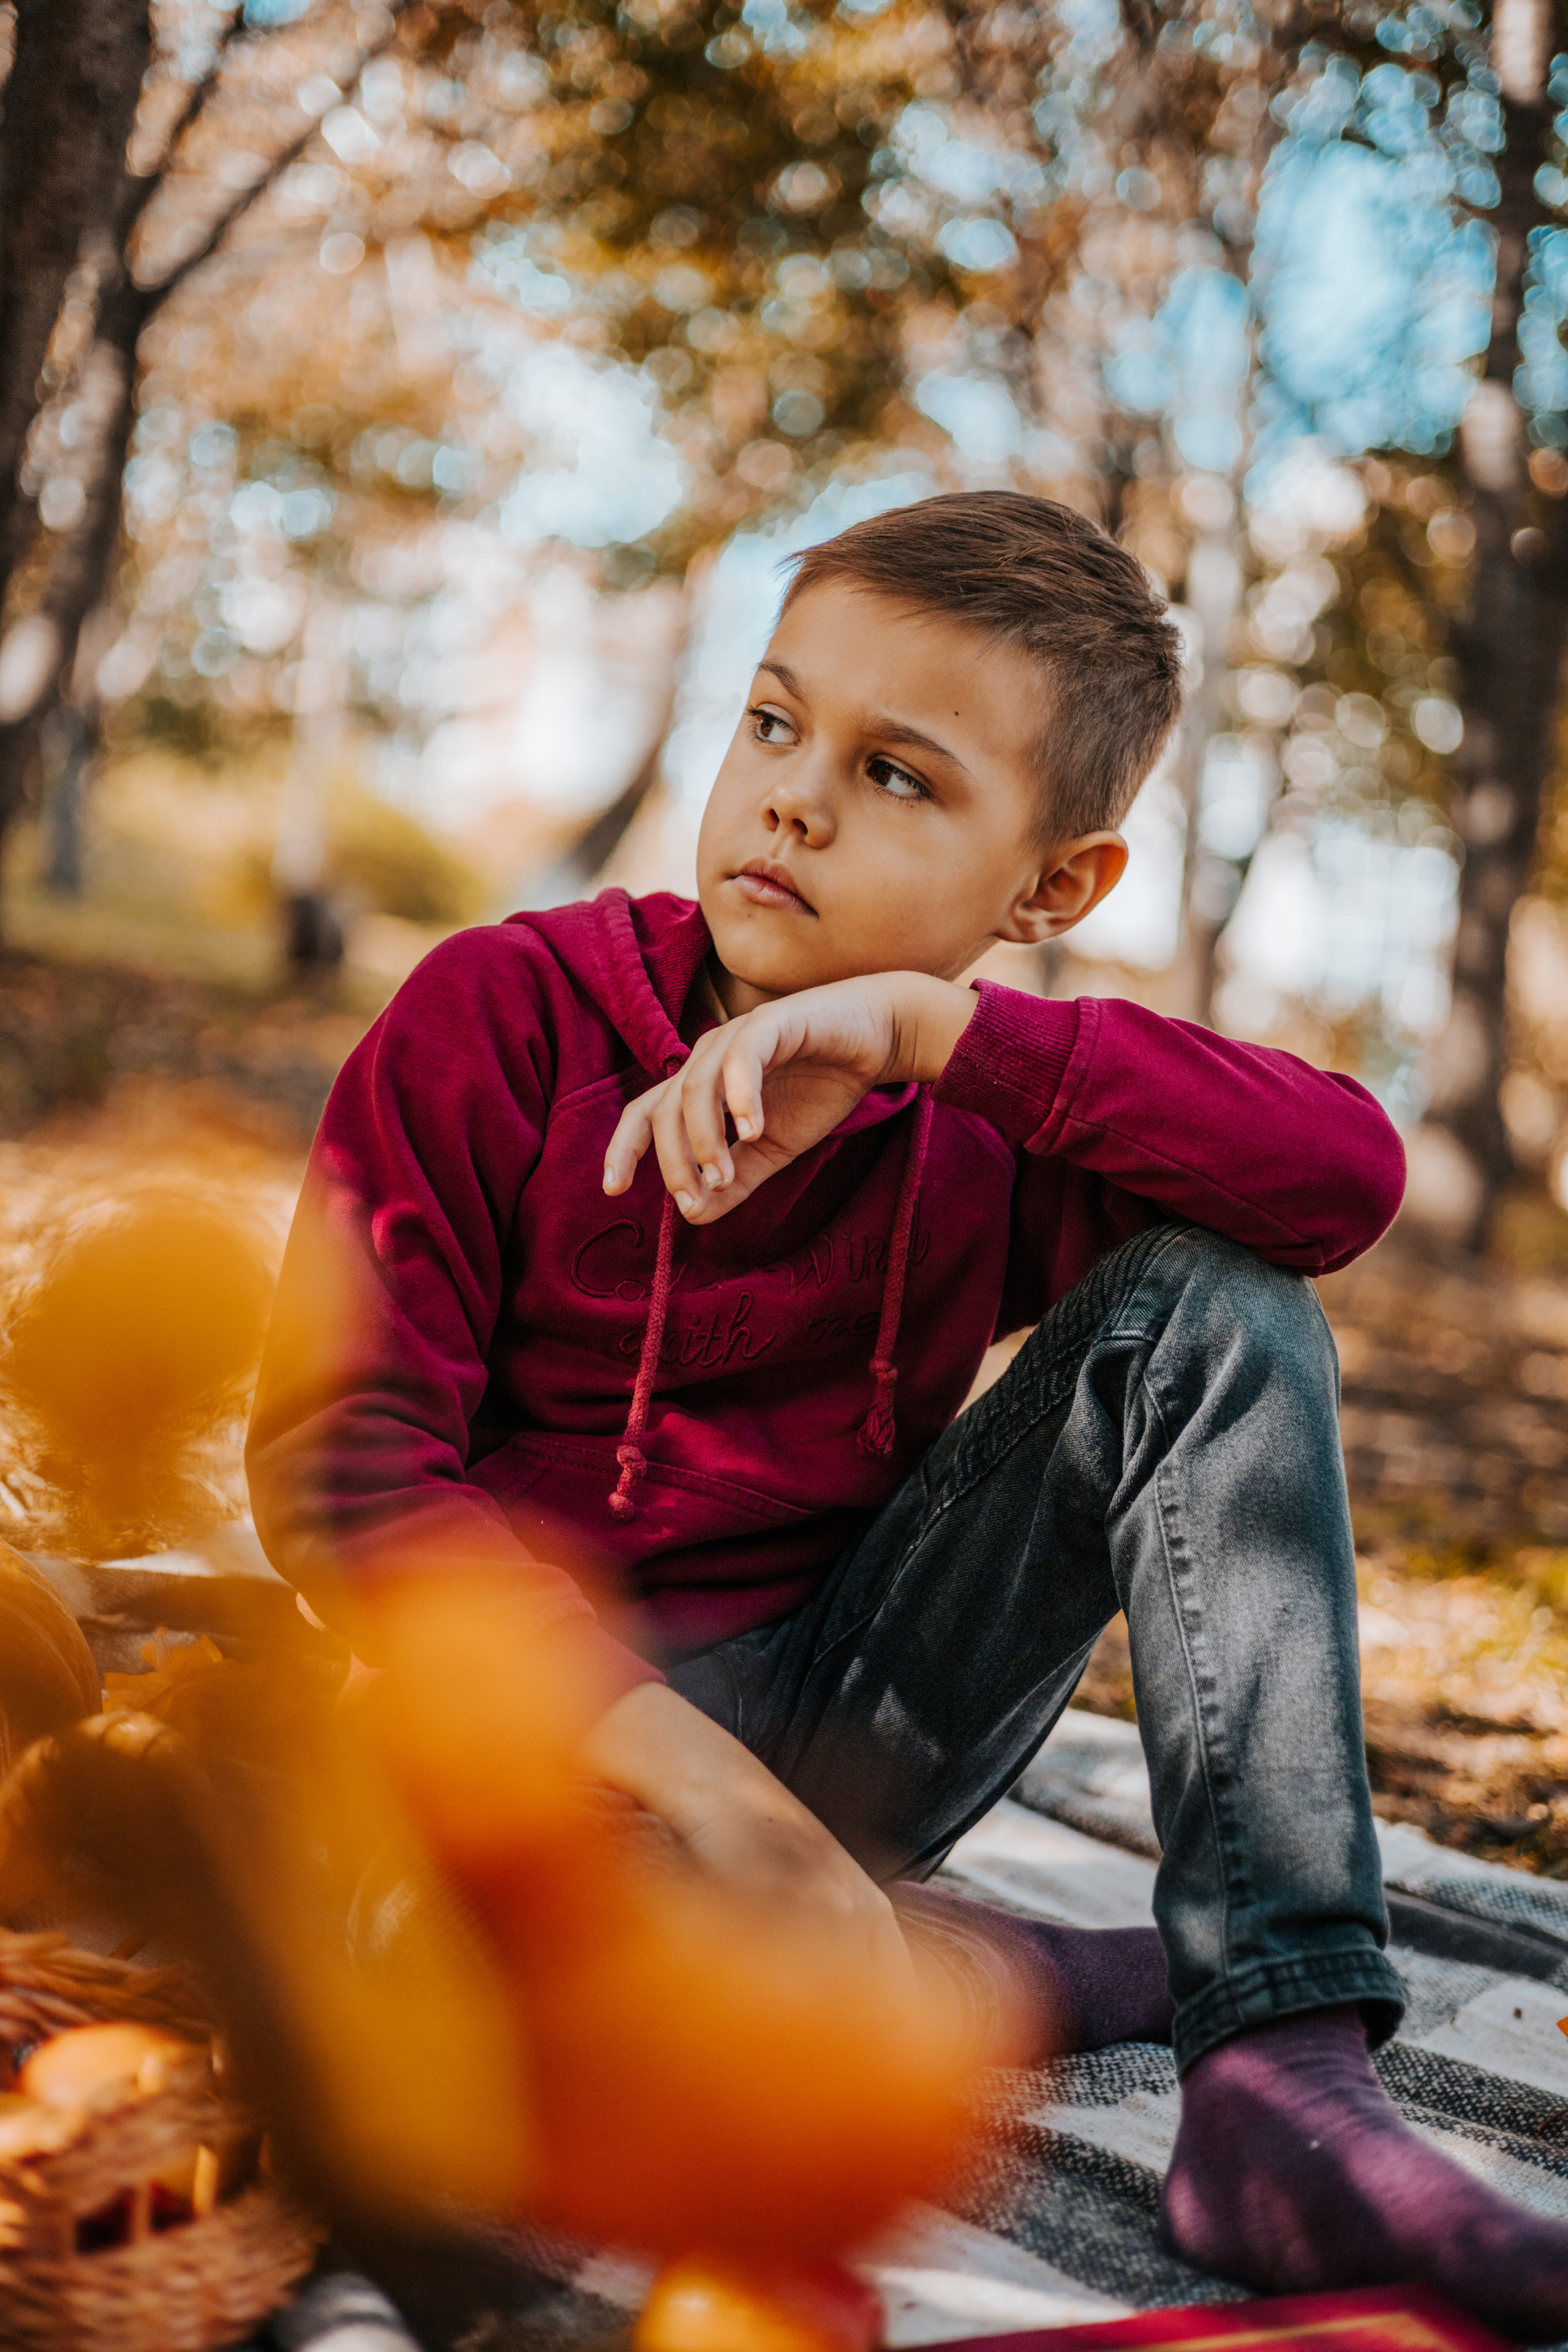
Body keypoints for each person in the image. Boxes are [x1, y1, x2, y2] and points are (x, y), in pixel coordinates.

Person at [247, 492, 1568, 2337]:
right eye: (775, 724)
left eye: (899, 776)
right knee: (463, 2020)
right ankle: (1012, 1975)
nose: (791, 798)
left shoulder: (985, 1110)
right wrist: (721, 1803)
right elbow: (343, 1469)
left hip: (859, 1719)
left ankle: (1280, 2075)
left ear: (1052, 889)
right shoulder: (504, 1017)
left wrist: (941, 1041)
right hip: (523, 1764)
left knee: (1219, 1300)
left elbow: (1337, 1179)